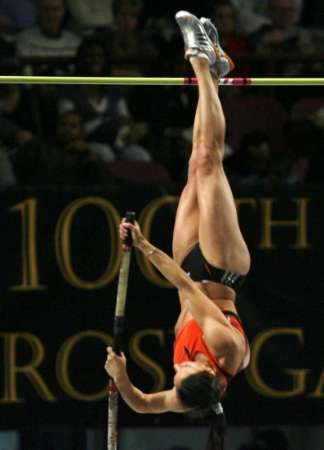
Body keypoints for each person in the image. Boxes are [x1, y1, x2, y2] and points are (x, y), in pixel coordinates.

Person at [105, 11, 251, 450]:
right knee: (209, 160)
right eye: (185, 370)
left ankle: (216, 67)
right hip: (219, 270)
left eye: (176, 374)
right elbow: (188, 288)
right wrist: (143, 244)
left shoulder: (190, 396)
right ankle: (201, 62)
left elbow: (146, 405)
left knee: (193, 166)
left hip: (186, 269)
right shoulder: (226, 352)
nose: (178, 368)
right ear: (211, 374)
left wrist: (122, 379)